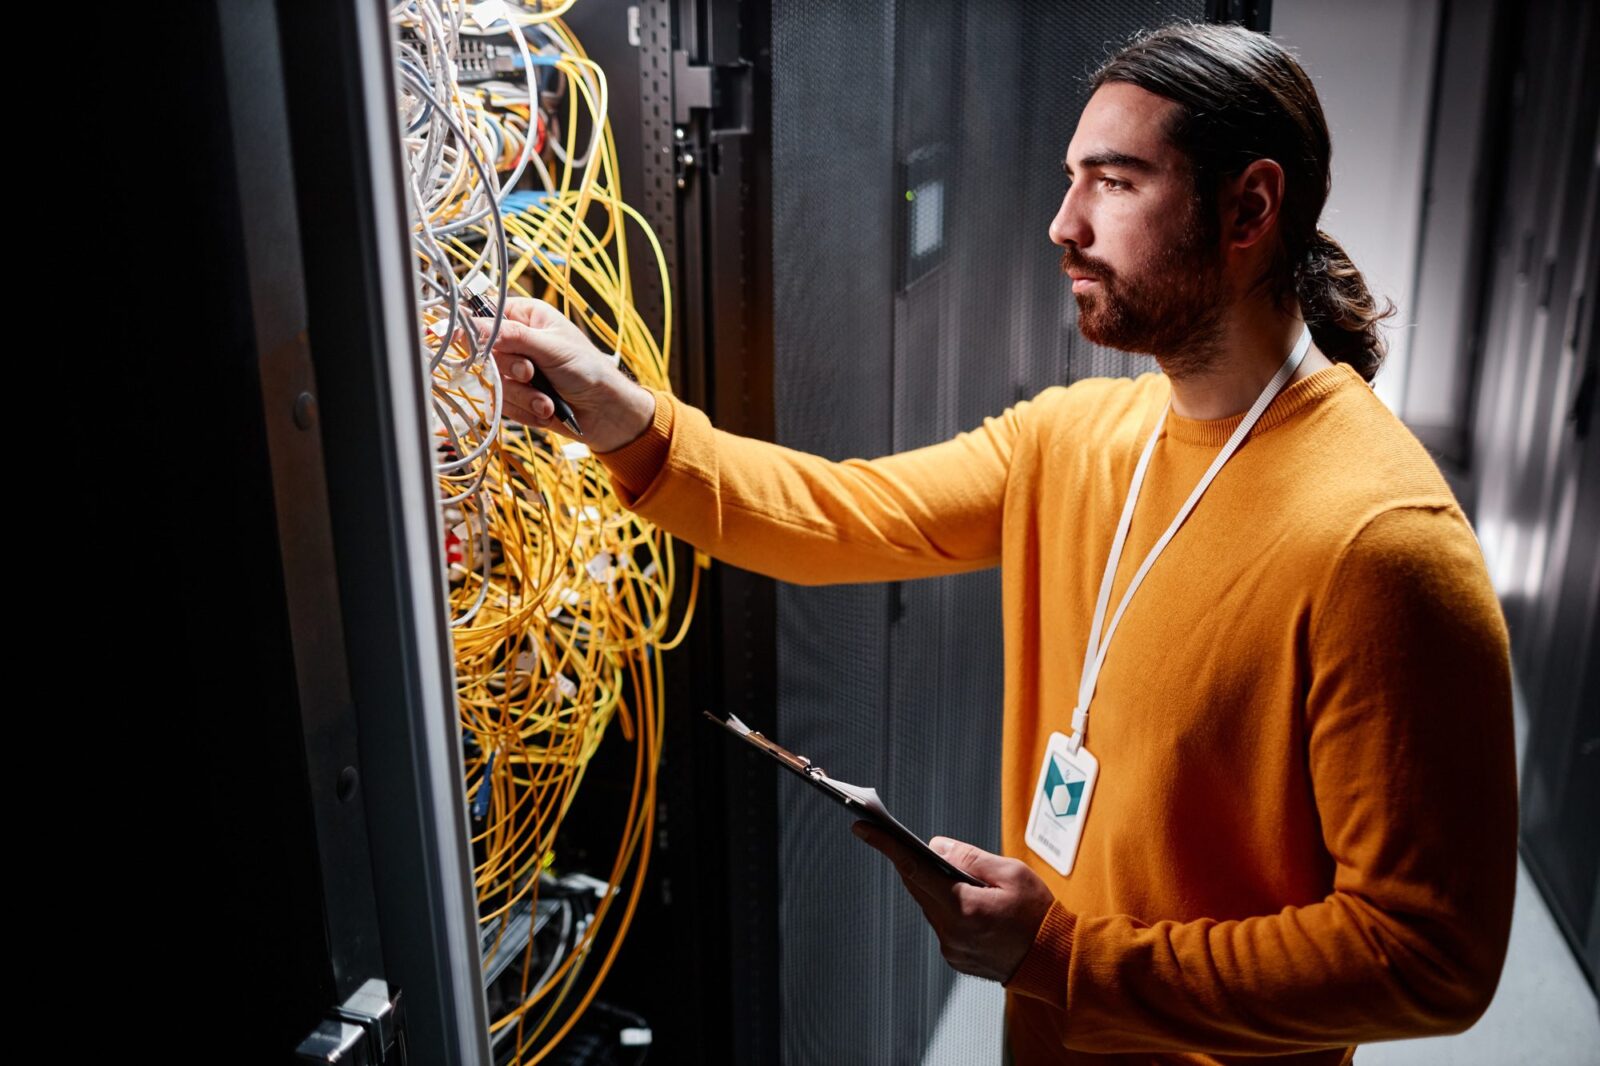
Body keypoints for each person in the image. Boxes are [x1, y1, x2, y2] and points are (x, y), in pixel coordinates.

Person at [476, 20, 1516, 1066]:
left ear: (1247, 206)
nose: (1062, 224)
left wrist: (1068, 961)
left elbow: (1427, 955)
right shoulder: (1073, 435)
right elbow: (834, 516)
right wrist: (620, 413)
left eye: (1113, 183)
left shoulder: (1380, 544)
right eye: (1071, 179)